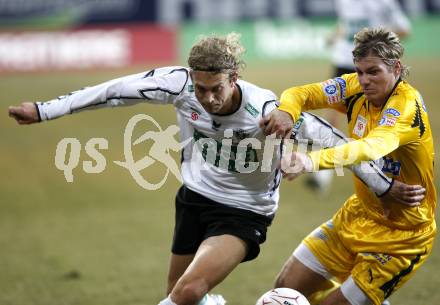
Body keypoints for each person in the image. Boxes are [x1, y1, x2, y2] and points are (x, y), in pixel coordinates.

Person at [9, 32, 425, 305]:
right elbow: (113, 92)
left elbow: (335, 138)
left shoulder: (264, 109)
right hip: (193, 199)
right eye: (200, 88)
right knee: (181, 293)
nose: (206, 98)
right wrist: (44, 111)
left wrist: (384, 187)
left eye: (216, 89)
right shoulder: (177, 85)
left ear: (235, 78)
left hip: (243, 211)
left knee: (185, 293)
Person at [262, 28, 436, 305]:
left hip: (401, 235)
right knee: (285, 289)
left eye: (374, 72)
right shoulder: (355, 86)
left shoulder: (405, 108)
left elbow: (368, 149)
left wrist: (311, 160)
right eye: (359, 71)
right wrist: (287, 110)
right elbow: (301, 93)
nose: (364, 81)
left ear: (397, 68)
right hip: (358, 215)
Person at [307, 0, 412, 193]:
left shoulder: (384, 3)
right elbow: (347, 23)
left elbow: (405, 29)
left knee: (372, 118)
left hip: (371, 66)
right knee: (333, 114)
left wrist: (377, 44)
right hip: (343, 61)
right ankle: (323, 175)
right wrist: (335, 35)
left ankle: (385, 170)